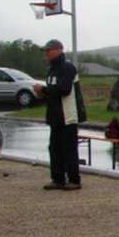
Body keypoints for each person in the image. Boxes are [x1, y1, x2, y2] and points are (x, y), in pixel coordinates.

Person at [32, 39, 86, 191]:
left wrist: (44, 90)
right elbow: (53, 93)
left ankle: (74, 180)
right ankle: (58, 179)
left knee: (69, 148)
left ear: (58, 50)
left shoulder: (67, 68)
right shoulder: (51, 70)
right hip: (55, 115)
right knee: (54, 148)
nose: (46, 54)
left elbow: (64, 90)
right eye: (45, 51)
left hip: (68, 115)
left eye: (48, 51)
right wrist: (42, 94)